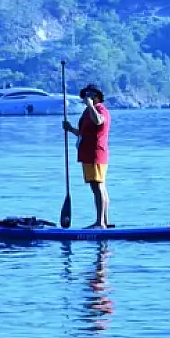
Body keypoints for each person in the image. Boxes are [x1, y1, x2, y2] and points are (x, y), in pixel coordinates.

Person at [64, 84, 111, 229]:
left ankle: (101, 222)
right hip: (87, 154)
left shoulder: (100, 110)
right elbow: (85, 133)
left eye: (89, 95)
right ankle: (103, 222)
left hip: (96, 154)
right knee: (96, 186)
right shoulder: (87, 112)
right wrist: (71, 129)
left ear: (95, 96)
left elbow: (99, 121)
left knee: (98, 186)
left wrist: (91, 106)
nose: (85, 98)